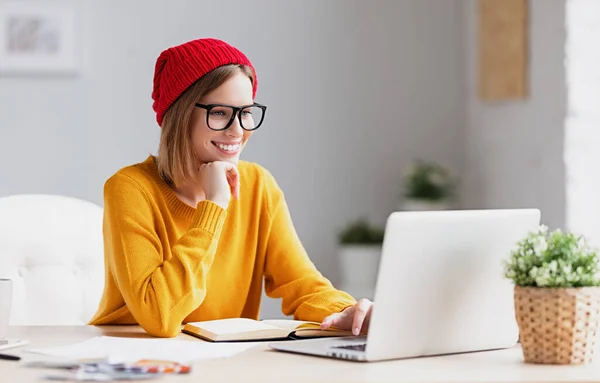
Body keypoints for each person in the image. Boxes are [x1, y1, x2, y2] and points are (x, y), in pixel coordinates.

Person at [89, 38, 373, 338]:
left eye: (246, 112)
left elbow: (301, 284)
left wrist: (347, 312)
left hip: (222, 360)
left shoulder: (259, 185)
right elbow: (160, 316)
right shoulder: (130, 189)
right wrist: (214, 207)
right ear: (181, 114)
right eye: (221, 113)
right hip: (134, 357)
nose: (238, 130)